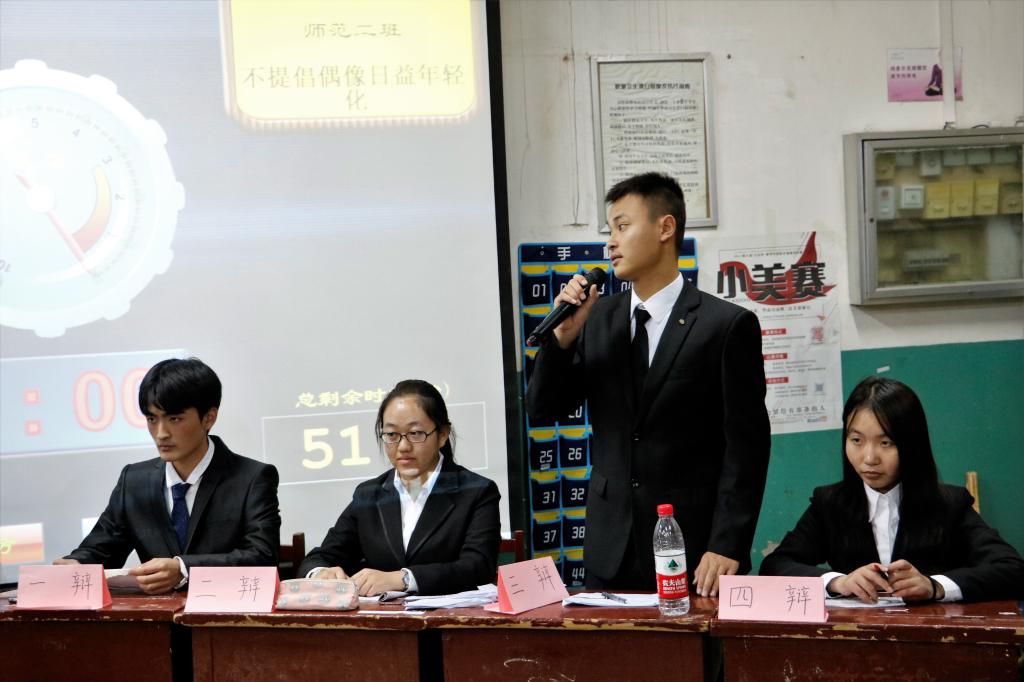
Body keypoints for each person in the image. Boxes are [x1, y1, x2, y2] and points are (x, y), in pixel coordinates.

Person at [526, 172, 771, 596]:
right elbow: (544, 409)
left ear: (665, 227)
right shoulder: (597, 318)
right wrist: (562, 340)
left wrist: (727, 543)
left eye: (622, 226)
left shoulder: (725, 326)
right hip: (609, 547)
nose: (611, 243)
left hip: (693, 549)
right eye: (610, 230)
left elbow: (747, 447)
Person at [760, 376, 1024, 603]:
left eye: (885, 443)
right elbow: (775, 566)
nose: (869, 458)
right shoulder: (829, 503)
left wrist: (935, 586)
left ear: (912, 445)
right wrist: (838, 582)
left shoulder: (949, 504)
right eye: (856, 440)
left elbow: (1014, 570)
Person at [56, 357, 281, 594]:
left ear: (209, 418)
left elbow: (263, 557)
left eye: (174, 419)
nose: (161, 433)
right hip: (155, 614)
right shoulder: (134, 480)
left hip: (226, 612)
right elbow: (101, 549)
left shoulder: (252, 478)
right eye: (152, 419)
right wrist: (76, 564)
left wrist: (184, 569)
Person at [298, 380, 501, 596]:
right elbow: (320, 557)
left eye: (415, 433)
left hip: (451, 616)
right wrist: (321, 573)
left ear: (442, 434)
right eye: (392, 435)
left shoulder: (477, 491)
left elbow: (478, 566)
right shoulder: (369, 494)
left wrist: (403, 579)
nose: (403, 447)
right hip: (383, 616)